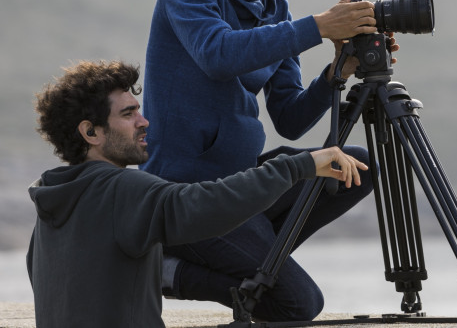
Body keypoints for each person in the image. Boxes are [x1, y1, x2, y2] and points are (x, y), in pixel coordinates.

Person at [140, 0, 391, 321]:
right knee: (297, 303)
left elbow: (290, 117)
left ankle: (249, 254)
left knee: (360, 164)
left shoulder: (276, 8)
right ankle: (169, 269)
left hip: (241, 184)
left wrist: (336, 70)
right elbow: (218, 53)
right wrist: (317, 27)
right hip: (184, 195)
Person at [27, 60, 368, 328]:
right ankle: (177, 271)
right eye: (128, 114)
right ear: (90, 131)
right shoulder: (122, 189)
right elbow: (206, 205)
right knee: (296, 302)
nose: (144, 122)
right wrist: (298, 166)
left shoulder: (48, 212)